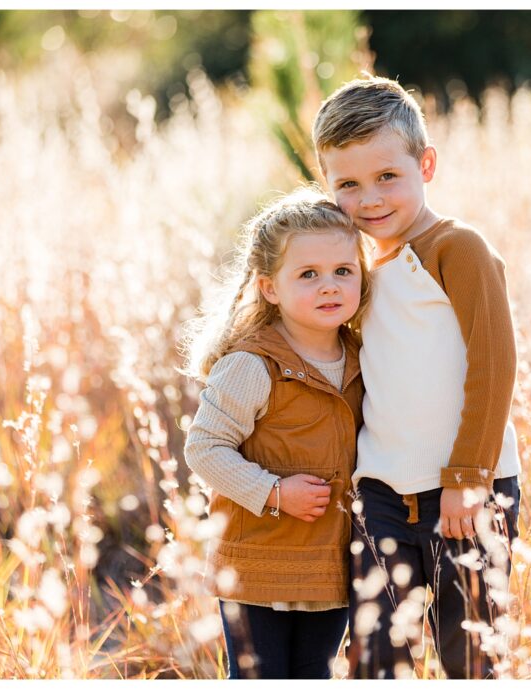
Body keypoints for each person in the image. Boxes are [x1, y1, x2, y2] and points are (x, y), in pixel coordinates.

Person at [312, 75, 522, 679]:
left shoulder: (457, 248)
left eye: (387, 177)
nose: (370, 198)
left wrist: (467, 478)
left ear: (425, 165)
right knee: (378, 658)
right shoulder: (351, 271)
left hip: (468, 486)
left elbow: (494, 363)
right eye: (347, 184)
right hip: (381, 492)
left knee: (472, 655)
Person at [183, 186, 371, 679]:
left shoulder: (361, 356)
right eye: (308, 274)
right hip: (257, 566)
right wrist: (273, 492)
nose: (329, 286)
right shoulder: (253, 363)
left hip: (328, 567)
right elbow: (203, 447)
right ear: (270, 287)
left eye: (343, 272)